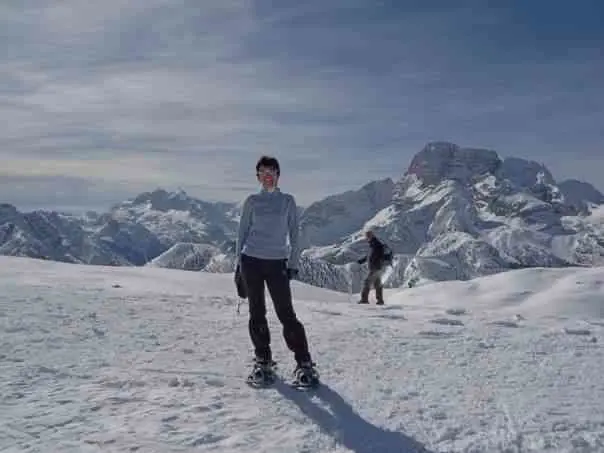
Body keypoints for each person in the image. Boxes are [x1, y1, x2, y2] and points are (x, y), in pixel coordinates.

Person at [236, 155, 318, 387]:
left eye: (271, 171)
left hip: (277, 263)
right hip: (251, 261)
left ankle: (304, 363)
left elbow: (294, 234)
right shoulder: (252, 201)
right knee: (257, 313)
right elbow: (241, 234)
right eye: (263, 172)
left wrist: (293, 263)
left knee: (286, 314)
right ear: (258, 177)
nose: (267, 176)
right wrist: (238, 267)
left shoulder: (287, 202)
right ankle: (263, 361)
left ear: (278, 175)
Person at [356, 230, 390, 305]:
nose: (366, 238)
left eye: (367, 236)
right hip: (377, 267)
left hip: (375, 267)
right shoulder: (373, 244)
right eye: (366, 236)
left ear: (371, 236)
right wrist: (362, 261)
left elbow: (375, 256)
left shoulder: (376, 244)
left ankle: (364, 299)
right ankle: (380, 300)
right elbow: (369, 256)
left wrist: (374, 261)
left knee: (367, 282)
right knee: (377, 284)